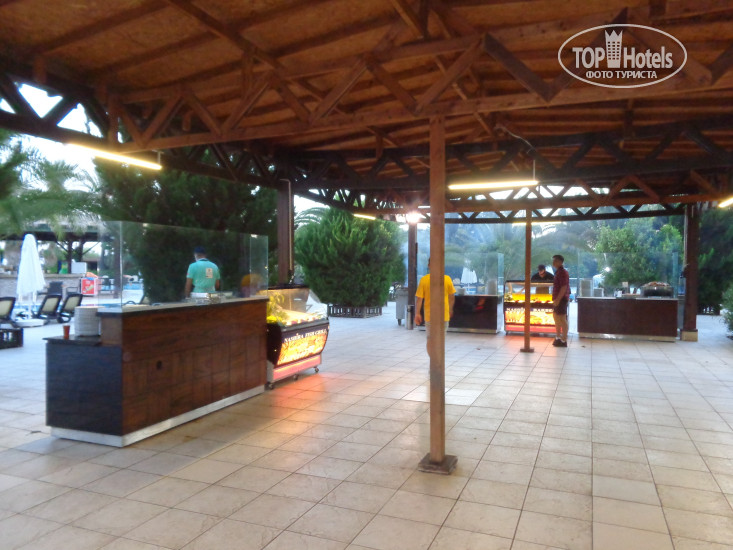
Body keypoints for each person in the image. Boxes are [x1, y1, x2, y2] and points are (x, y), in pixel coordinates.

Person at [414, 257, 456, 355]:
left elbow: (419, 299)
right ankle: (437, 359)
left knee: (430, 338)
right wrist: (450, 309)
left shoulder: (424, 280)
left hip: (430, 316)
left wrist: (417, 313)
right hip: (443, 315)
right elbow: (451, 297)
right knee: (441, 339)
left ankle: (432, 358)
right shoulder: (447, 279)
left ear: (429, 266)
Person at [551, 254, 570, 347]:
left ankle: (564, 339)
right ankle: (558, 336)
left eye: (555, 261)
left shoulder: (563, 273)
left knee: (562, 318)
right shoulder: (558, 272)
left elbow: (564, 287)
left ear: (560, 262)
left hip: (561, 299)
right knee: (556, 317)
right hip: (557, 298)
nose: (553, 262)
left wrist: (558, 299)